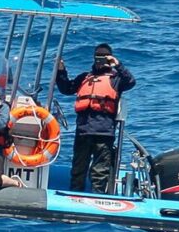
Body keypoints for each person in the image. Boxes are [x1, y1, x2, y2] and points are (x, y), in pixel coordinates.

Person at [54, 43, 136, 193]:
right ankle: (75, 195)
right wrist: (61, 71)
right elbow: (66, 88)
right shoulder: (85, 78)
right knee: (78, 168)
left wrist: (118, 65)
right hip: (83, 132)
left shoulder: (116, 79)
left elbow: (130, 81)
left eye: (103, 58)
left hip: (103, 133)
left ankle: (98, 196)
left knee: (99, 171)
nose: (100, 62)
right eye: (97, 58)